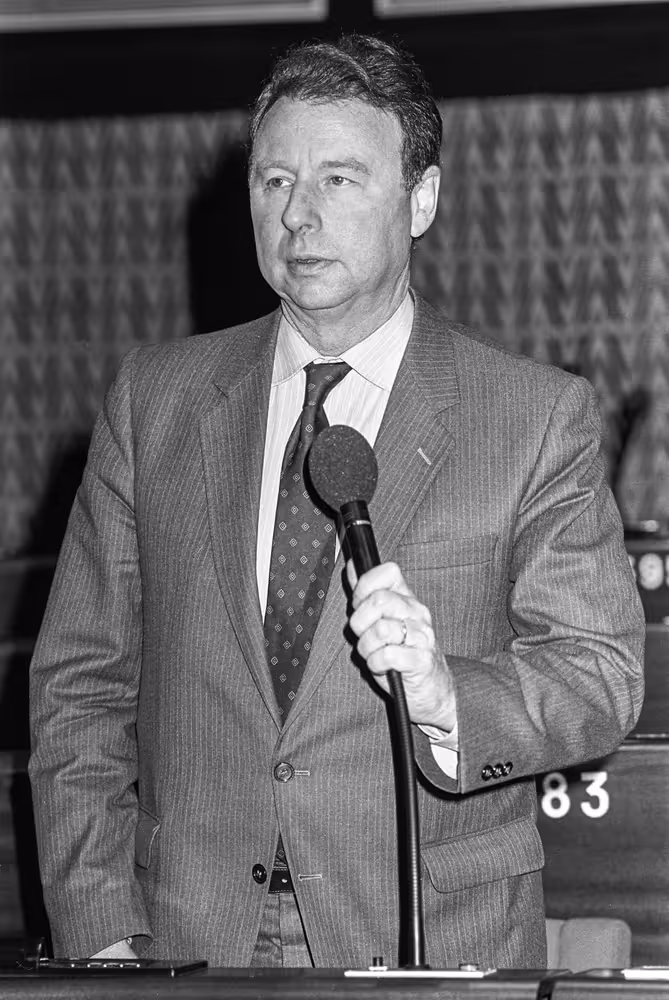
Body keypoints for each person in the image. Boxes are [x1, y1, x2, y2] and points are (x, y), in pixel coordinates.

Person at [29, 33, 644, 971]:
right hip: (184, 940)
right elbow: (79, 682)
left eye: (340, 179)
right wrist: (102, 929)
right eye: (274, 182)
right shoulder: (153, 400)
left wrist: (448, 696)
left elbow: (598, 675)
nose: (299, 216)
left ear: (421, 198)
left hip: (427, 936)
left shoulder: (531, 415)